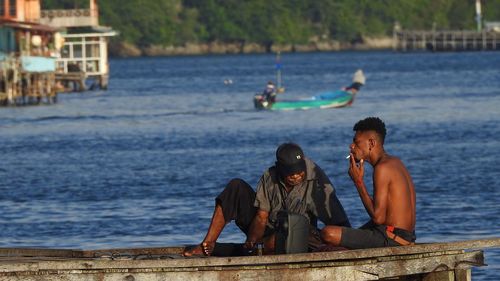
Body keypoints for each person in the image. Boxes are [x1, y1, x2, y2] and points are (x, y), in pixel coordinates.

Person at [183, 142, 351, 257]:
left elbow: (339, 221)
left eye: (300, 172)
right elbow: (261, 216)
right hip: (266, 230)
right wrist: (252, 240)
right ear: (280, 169)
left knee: (280, 237)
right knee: (236, 186)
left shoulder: (316, 180)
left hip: (297, 236)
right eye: (291, 173)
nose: (297, 176)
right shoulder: (270, 176)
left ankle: (247, 250)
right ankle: (207, 245)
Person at [321, 117, 416, 249]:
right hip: (403, 235)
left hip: (392, 238)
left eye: (356, 142)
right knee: (341, 237)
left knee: (328, 233)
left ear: (371, 143)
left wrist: (358, 182)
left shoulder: (382, 168)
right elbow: (383, 218)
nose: (351, 146)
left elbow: (378, 218)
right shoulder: (396, 162)